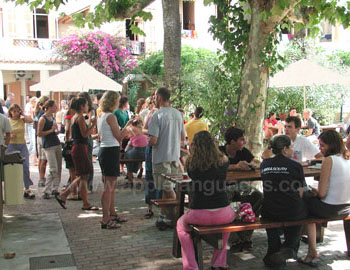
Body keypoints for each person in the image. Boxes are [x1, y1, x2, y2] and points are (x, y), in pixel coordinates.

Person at [177, 131, 235, 270]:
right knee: (226, 226)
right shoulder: (224, 161)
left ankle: (191, 266)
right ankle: (218, 263)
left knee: (180, 225)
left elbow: (190, 173)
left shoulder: (191, 163)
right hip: (224, 212)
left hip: (199, 213)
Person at [300, 130, 350, 267]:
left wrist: (313, 192)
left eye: (322, 146)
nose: (320, 149)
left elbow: (322, 194)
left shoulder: (329, 160)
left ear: (331, 145)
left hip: (331, 209)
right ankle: (312, 249)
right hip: (346, 208)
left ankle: (312, 251)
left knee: (304, 200)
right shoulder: (347, 157)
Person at [260, 135, 308, 268]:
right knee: (302, 210)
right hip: (292, 211)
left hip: (269, 211)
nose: (293, 150)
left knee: (271, 218)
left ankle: (274, 251)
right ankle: (290, 247)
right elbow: (300, 192)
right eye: (292, 147)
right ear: (285, 149)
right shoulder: (295, 166)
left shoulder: (264, 164)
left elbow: (265, 155)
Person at [219, 126, 263, 252]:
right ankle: (233, 238)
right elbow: (216, 165)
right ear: (232, 142)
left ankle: (245, 236)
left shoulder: (243, 151)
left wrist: (253, 163)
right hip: (221, 189)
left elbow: (255, 160)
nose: (244, 142)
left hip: (240, 188)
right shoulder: (220, 151)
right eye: (241, 140)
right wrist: (235, 166)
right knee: (226, 201)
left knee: (258, 196)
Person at [148, 87, 185, 230]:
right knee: (166, 188)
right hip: (174, 156)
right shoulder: (177, 114)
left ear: (159, 97)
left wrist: (148, 139)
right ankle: (164, 216)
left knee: (168, 189)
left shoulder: (157, 116)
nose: (153, 99)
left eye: (154, 96)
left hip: (161, 157)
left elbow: (154, 140)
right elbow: (183, 137)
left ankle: (179, 217)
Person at [55, 97, 98, 211]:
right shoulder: (80, 118)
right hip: (80, 147)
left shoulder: (75, 117)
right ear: (82, 106)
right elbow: (85, 134)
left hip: (78, 147)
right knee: (83, 175)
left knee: (83, 176)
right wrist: (93, 125)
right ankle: (65, 194)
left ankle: (85, 202)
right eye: (86, 105)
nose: (88, 107)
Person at [97, 91, 129, 229]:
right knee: (108, 187)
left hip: (106, 150)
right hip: (110, 150)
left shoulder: (102, 116)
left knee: (110, 185)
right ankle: (105, 218)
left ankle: (111, 213)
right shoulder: (111, 116)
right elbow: (119, 136)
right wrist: (128, 129)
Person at [7, 104, 35, 199]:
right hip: (11, 145)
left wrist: (22, 113)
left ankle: (27, 188)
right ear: (10, 112)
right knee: (11, 168)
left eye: (17, 111)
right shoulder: (7, 121)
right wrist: (9, 136)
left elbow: (31, 120)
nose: (15, 113)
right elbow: (2, 133)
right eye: (13, 111)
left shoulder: (22, 120)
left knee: (26, 166)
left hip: (22, 145)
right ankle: (12, 188)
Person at [37, 100, 62, 199]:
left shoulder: (53, 117)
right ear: (50, 107)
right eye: (55, 106)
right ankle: (46, 190)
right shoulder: (42, 119)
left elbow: (53, 131)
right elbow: (39, 133)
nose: (56, 108)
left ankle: (55, 188)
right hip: (48, 145)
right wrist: (50, 130)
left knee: (58, 167)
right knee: (53, 168)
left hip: (56, 143)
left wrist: (55, 131)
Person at [142, 95, 160, 219]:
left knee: (158, 178)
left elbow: (144, 129)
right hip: (152, 148)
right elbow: (144, 129)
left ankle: (158, 209)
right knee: (150, 177)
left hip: (158, 148)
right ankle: (150, 207)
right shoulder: (151, 113)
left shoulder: (164, 114)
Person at [123, 118, 148, 188]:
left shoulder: (131, 129)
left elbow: (125, 139)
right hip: (146, 152)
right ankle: (140, 168)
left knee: (126, 156)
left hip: (137, 151)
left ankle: (130, 175)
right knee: (133, 154)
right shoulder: (144, 130)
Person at [79, 92, 95, 192]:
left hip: (87, 138)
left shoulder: (90, 111)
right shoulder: (78, 114)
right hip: (82, 138)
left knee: (88, 161)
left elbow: (89, 124)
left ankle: (89, 183)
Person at [34, 96, 49, 187]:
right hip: (42, 137)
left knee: (41, 159)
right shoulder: (42, 114)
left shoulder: (37, 113)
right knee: (43, 159)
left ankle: (41, 177)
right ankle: (42, 178)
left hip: (39, 137)